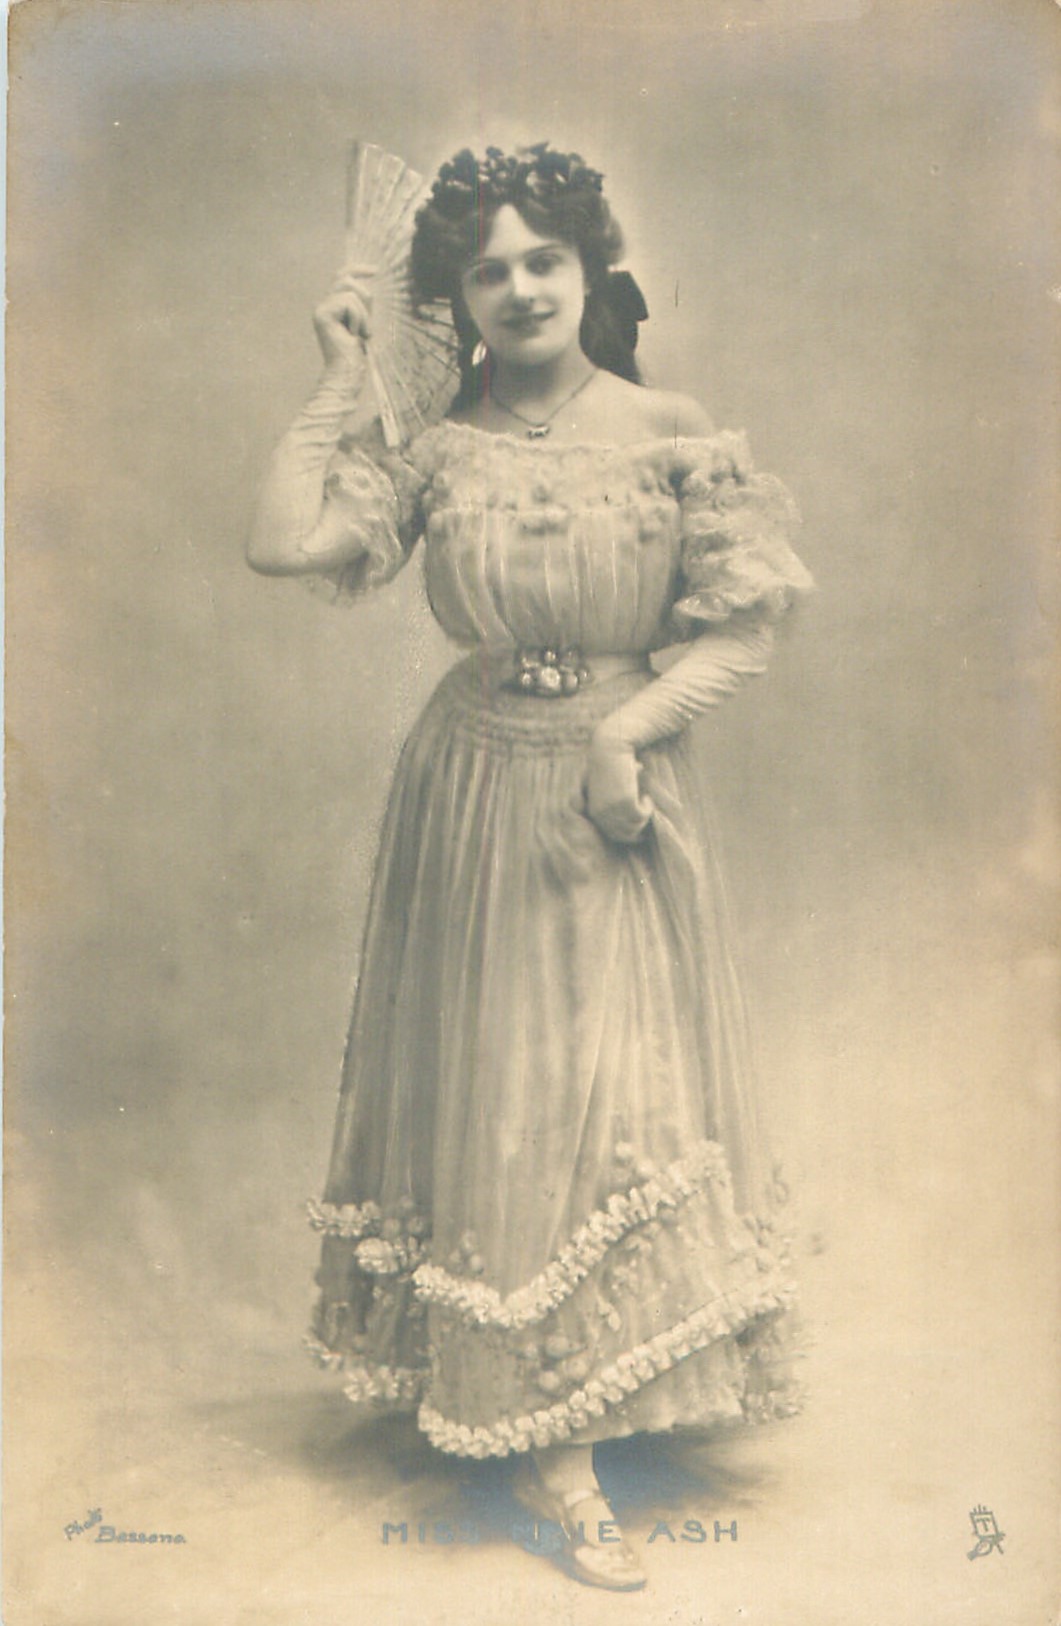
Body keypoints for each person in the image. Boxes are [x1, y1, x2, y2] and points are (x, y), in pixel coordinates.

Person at [248, 142, 812, 1592]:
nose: (517, 290)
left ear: (588, 269)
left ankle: (584, 1395)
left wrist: (627, 734)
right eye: (485, 271)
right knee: (505, 1094)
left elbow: (745, 623)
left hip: (612, 790)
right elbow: (282, 543)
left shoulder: (668, 429)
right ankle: (545, 1441)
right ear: (458, 297)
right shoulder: (436, 445)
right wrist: (337, 385)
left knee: (606, 1094)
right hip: (472, 785)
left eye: (541, 261)